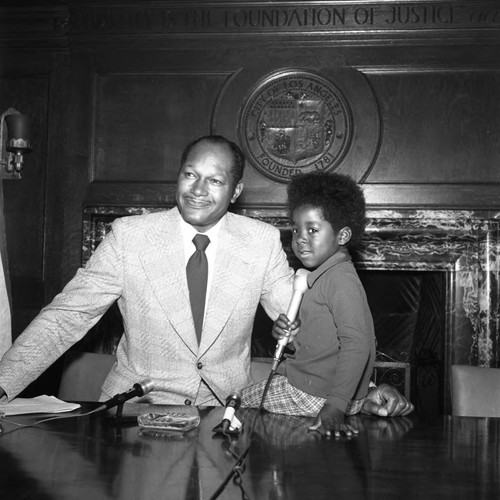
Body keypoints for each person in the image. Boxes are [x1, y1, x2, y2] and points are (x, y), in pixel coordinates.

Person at [0, 135, 413, 417]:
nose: (198, 189)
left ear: (235, 191)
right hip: (133, 413)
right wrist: (2, 385)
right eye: (190, 174)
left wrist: (363, 390)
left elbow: (310, 329)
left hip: (225, 413)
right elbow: (64, 318)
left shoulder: (262, 242)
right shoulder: (129, 237)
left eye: (215, 180)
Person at [241, 171, 381, 437]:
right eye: (296, 229)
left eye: (312, 230)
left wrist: (336, 407)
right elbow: (319, 345)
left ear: (342, 236)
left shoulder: (341, 280)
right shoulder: (324, 276)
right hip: (321, 390)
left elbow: (359, 343)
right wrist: (290, 335)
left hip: (316, 394)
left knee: (234, 404)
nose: (300, 238)